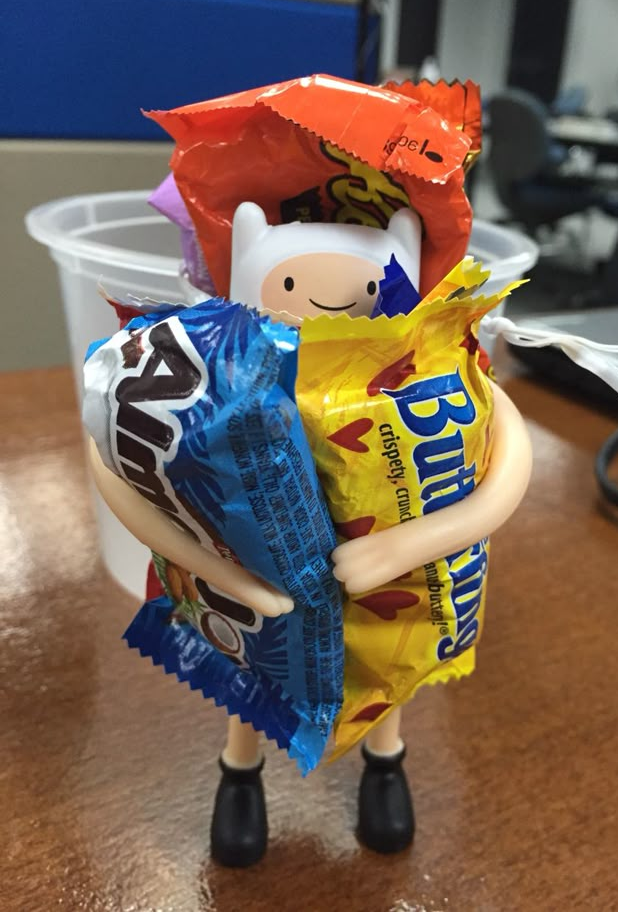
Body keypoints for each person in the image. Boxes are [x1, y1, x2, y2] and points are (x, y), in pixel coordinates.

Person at [88, 202, 533, 866]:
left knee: (384, 667)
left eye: (362, 297)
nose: (326, 307)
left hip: (387, 585)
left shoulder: (435, 372)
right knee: (248, 671)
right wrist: (219, 574)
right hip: (251, 584)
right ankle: (240, 771)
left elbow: (507, 466)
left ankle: (386, 763)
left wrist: (407, 545)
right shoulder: (214, 383)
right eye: (289, 287)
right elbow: (111, 462)